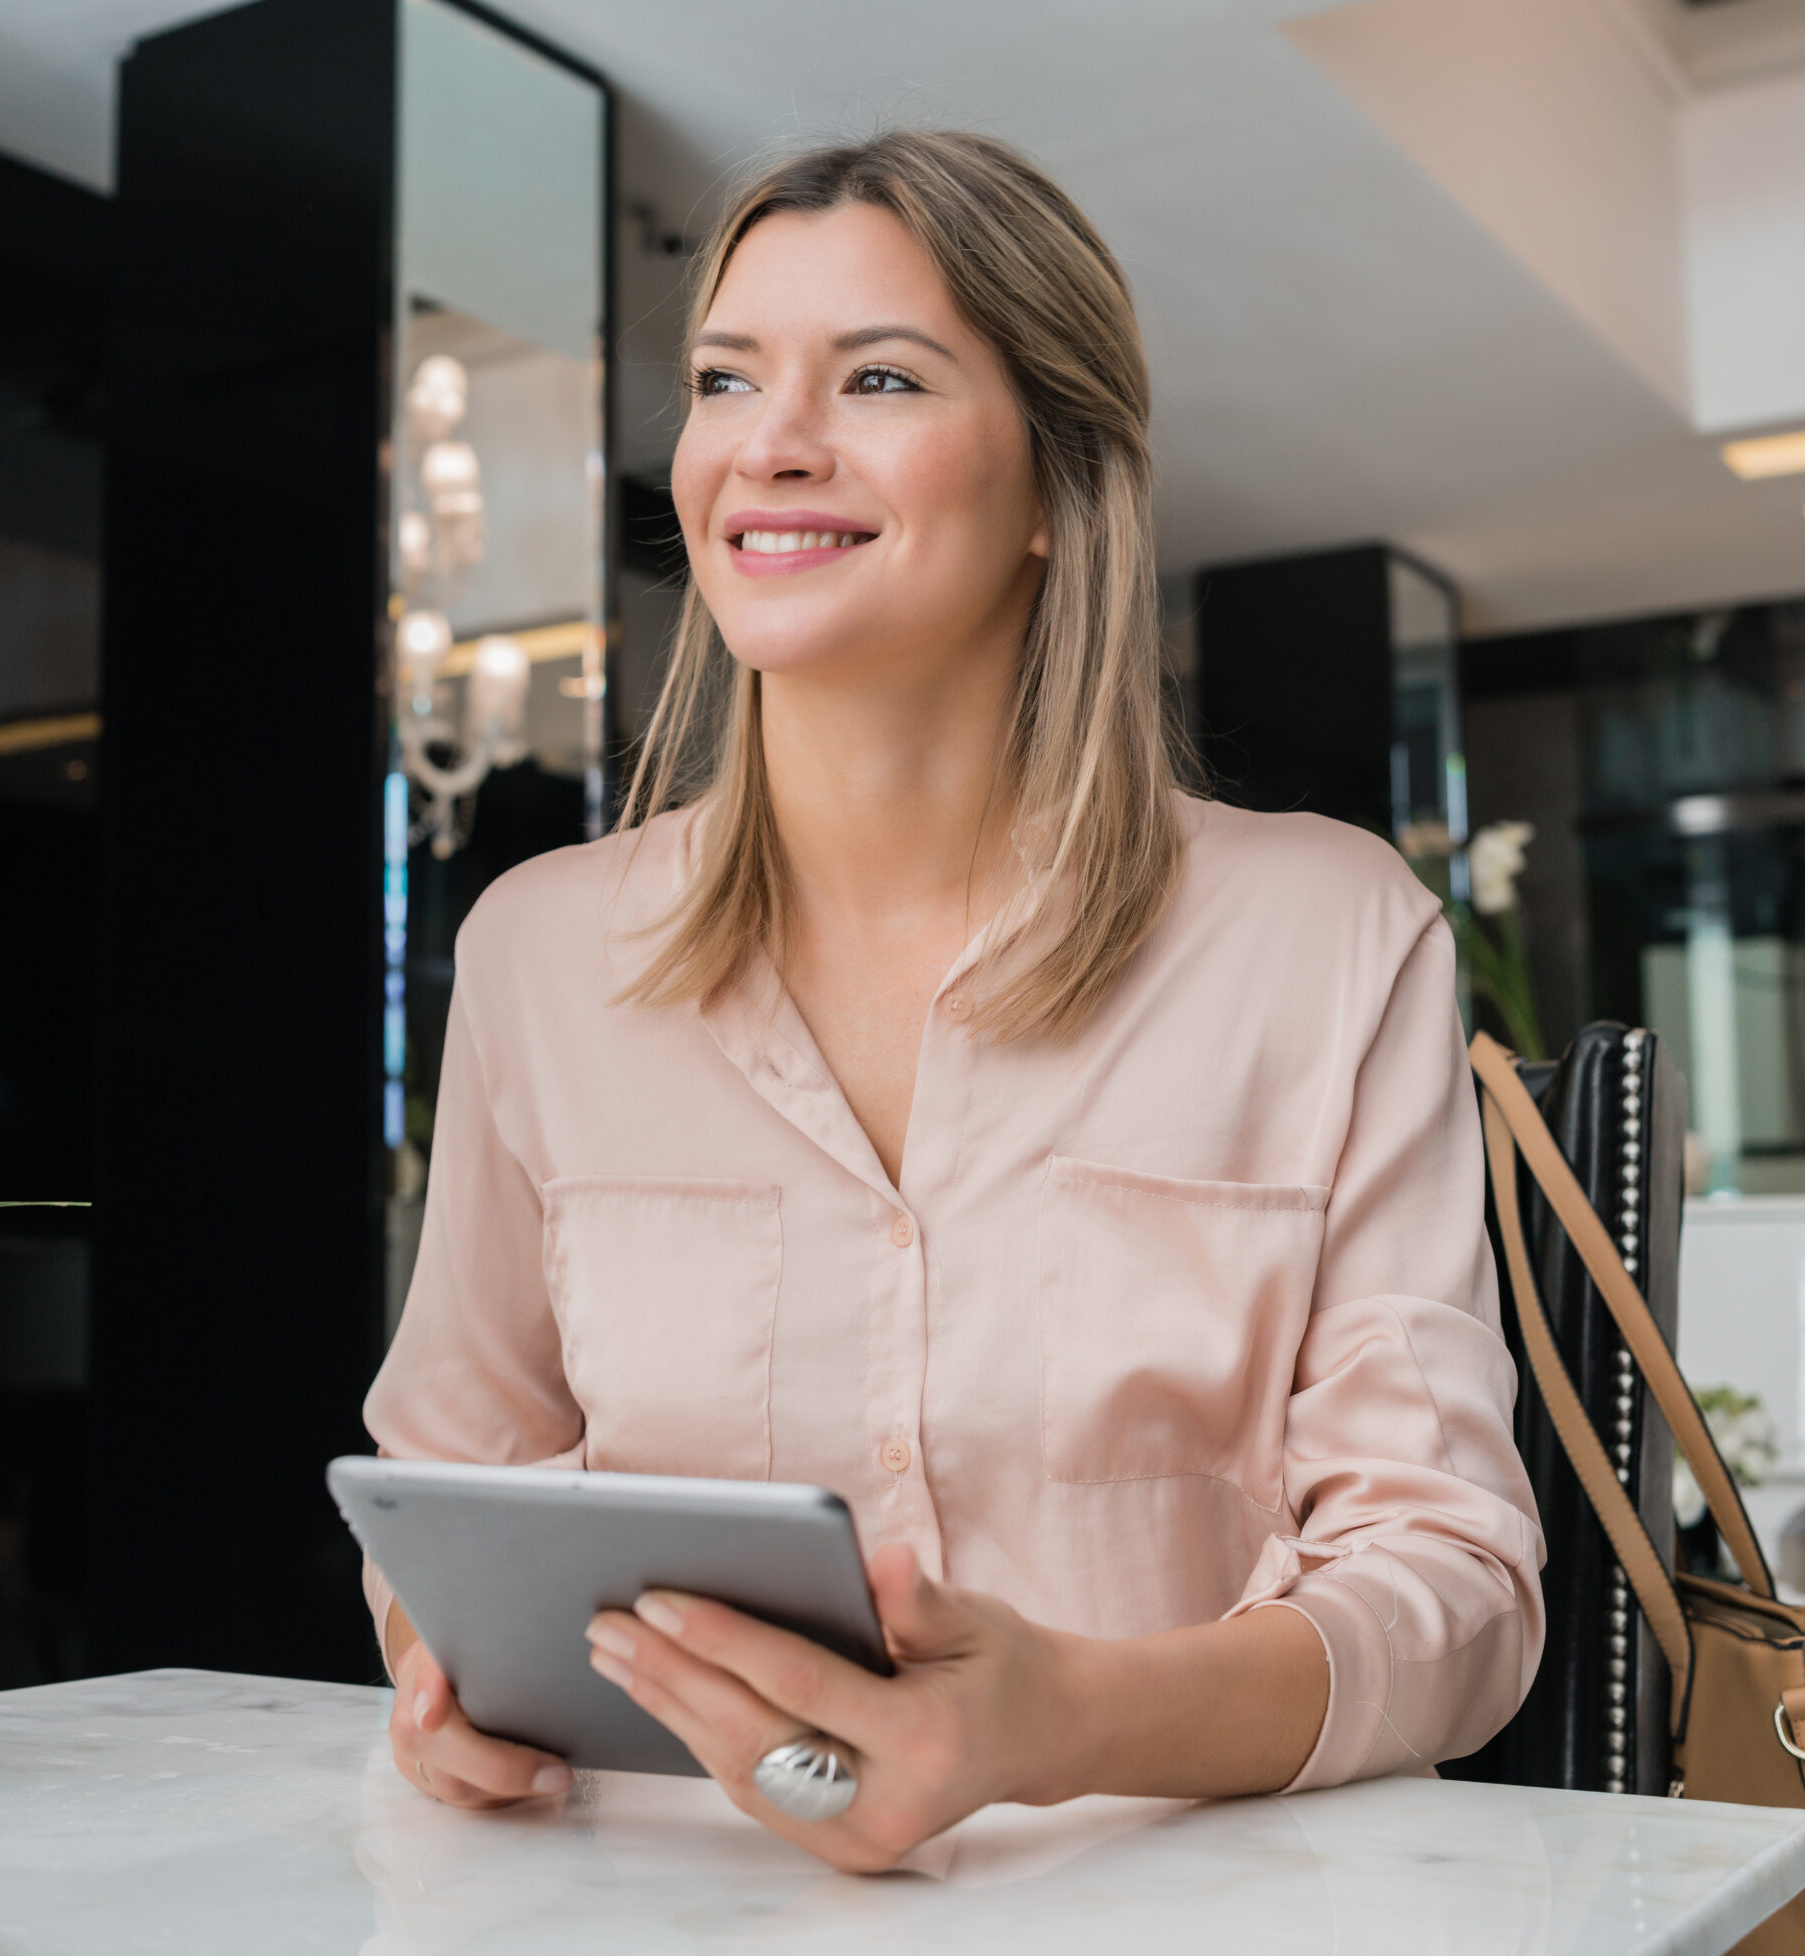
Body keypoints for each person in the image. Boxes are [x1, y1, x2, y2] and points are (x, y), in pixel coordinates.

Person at [362, 129, 1543, 1874]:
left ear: (1064, 489)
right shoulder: (544, 954)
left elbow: (1454, 1594)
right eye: (725, 377)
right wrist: (448, 1678)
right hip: (662, 1906)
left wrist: (1054, 1722)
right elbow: (446, 1497)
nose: (768, 443)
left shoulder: (1329, 936)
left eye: (883, 378)